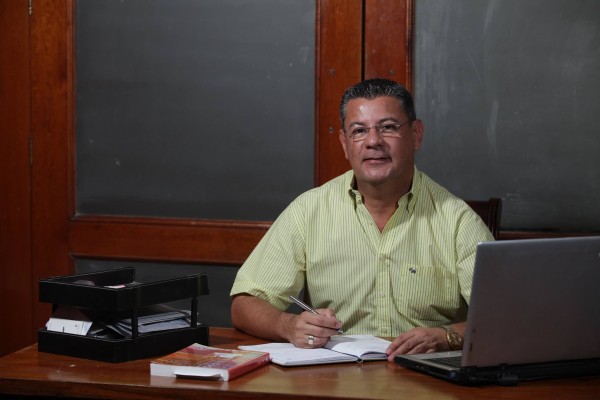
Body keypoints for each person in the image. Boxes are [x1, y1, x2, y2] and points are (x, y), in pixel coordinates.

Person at [230, 78, 494, 361]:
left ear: (416, 135)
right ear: (344, 143)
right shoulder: (308, 211)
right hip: (335, 375)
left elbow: (507, 316)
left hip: (424, 376)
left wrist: (446, 336)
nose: (373, 141)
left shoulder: (457, 220)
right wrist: (289, 325)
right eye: (359, 131)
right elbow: (244, 305)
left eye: (388, 127)